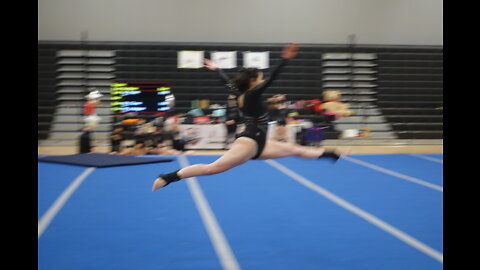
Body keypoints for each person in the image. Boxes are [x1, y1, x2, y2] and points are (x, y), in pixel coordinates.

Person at [152, 43, 349, 191]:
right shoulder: (252, 94)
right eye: (259, 78)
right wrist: (285, 59)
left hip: (260, 141)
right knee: (213, 168)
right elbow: (272, 78)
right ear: (254, 81)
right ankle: (168, 177)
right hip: (249, 142)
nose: (262, 79)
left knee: (295, 149)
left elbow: (226, 83)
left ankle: (332, 155)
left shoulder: (240, 94)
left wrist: (216, 69)